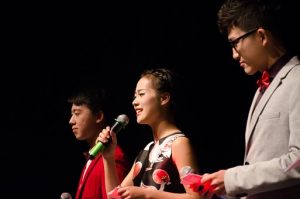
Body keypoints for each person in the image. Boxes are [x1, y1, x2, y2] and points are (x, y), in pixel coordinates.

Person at [201, 0, 300, 198]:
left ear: (261, 36)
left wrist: (232, 179)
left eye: (235, 42)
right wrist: (225, 190)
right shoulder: (261, 89)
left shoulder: (297, 79)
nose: (234, 55)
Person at [96, 68, 210, 199]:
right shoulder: (147, 149)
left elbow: (196, 197)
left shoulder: (179, 143)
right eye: (135, 96)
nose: (134, 102)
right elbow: (114, 197)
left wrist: (147, 194)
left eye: (141, 94)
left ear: (164, 98)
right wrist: (108, 158)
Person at [68, 87, 129, 199]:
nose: (71, 121)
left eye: (77, 113)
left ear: (98, 116)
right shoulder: (91, 156)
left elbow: (114, 196)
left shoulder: (114, 156)